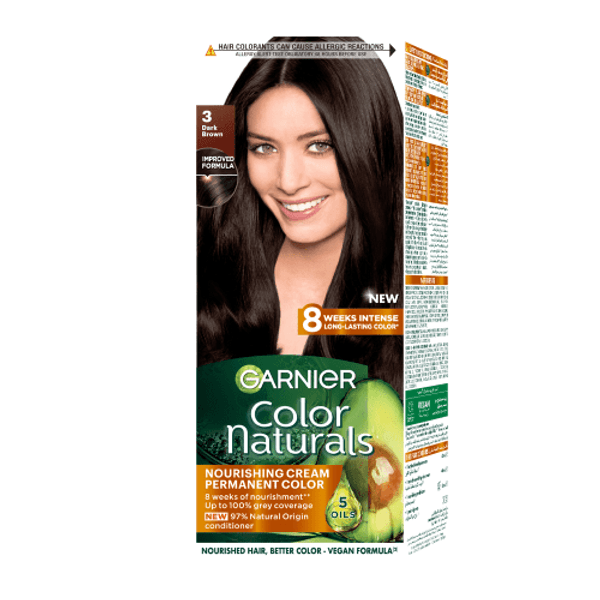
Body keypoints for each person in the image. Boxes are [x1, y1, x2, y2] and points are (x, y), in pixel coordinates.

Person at [197, 37, 404, 393]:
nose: (288, 182)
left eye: (319, 146)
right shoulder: (203, 279)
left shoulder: (417, 300)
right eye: (264, 147)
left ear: (371, 146)